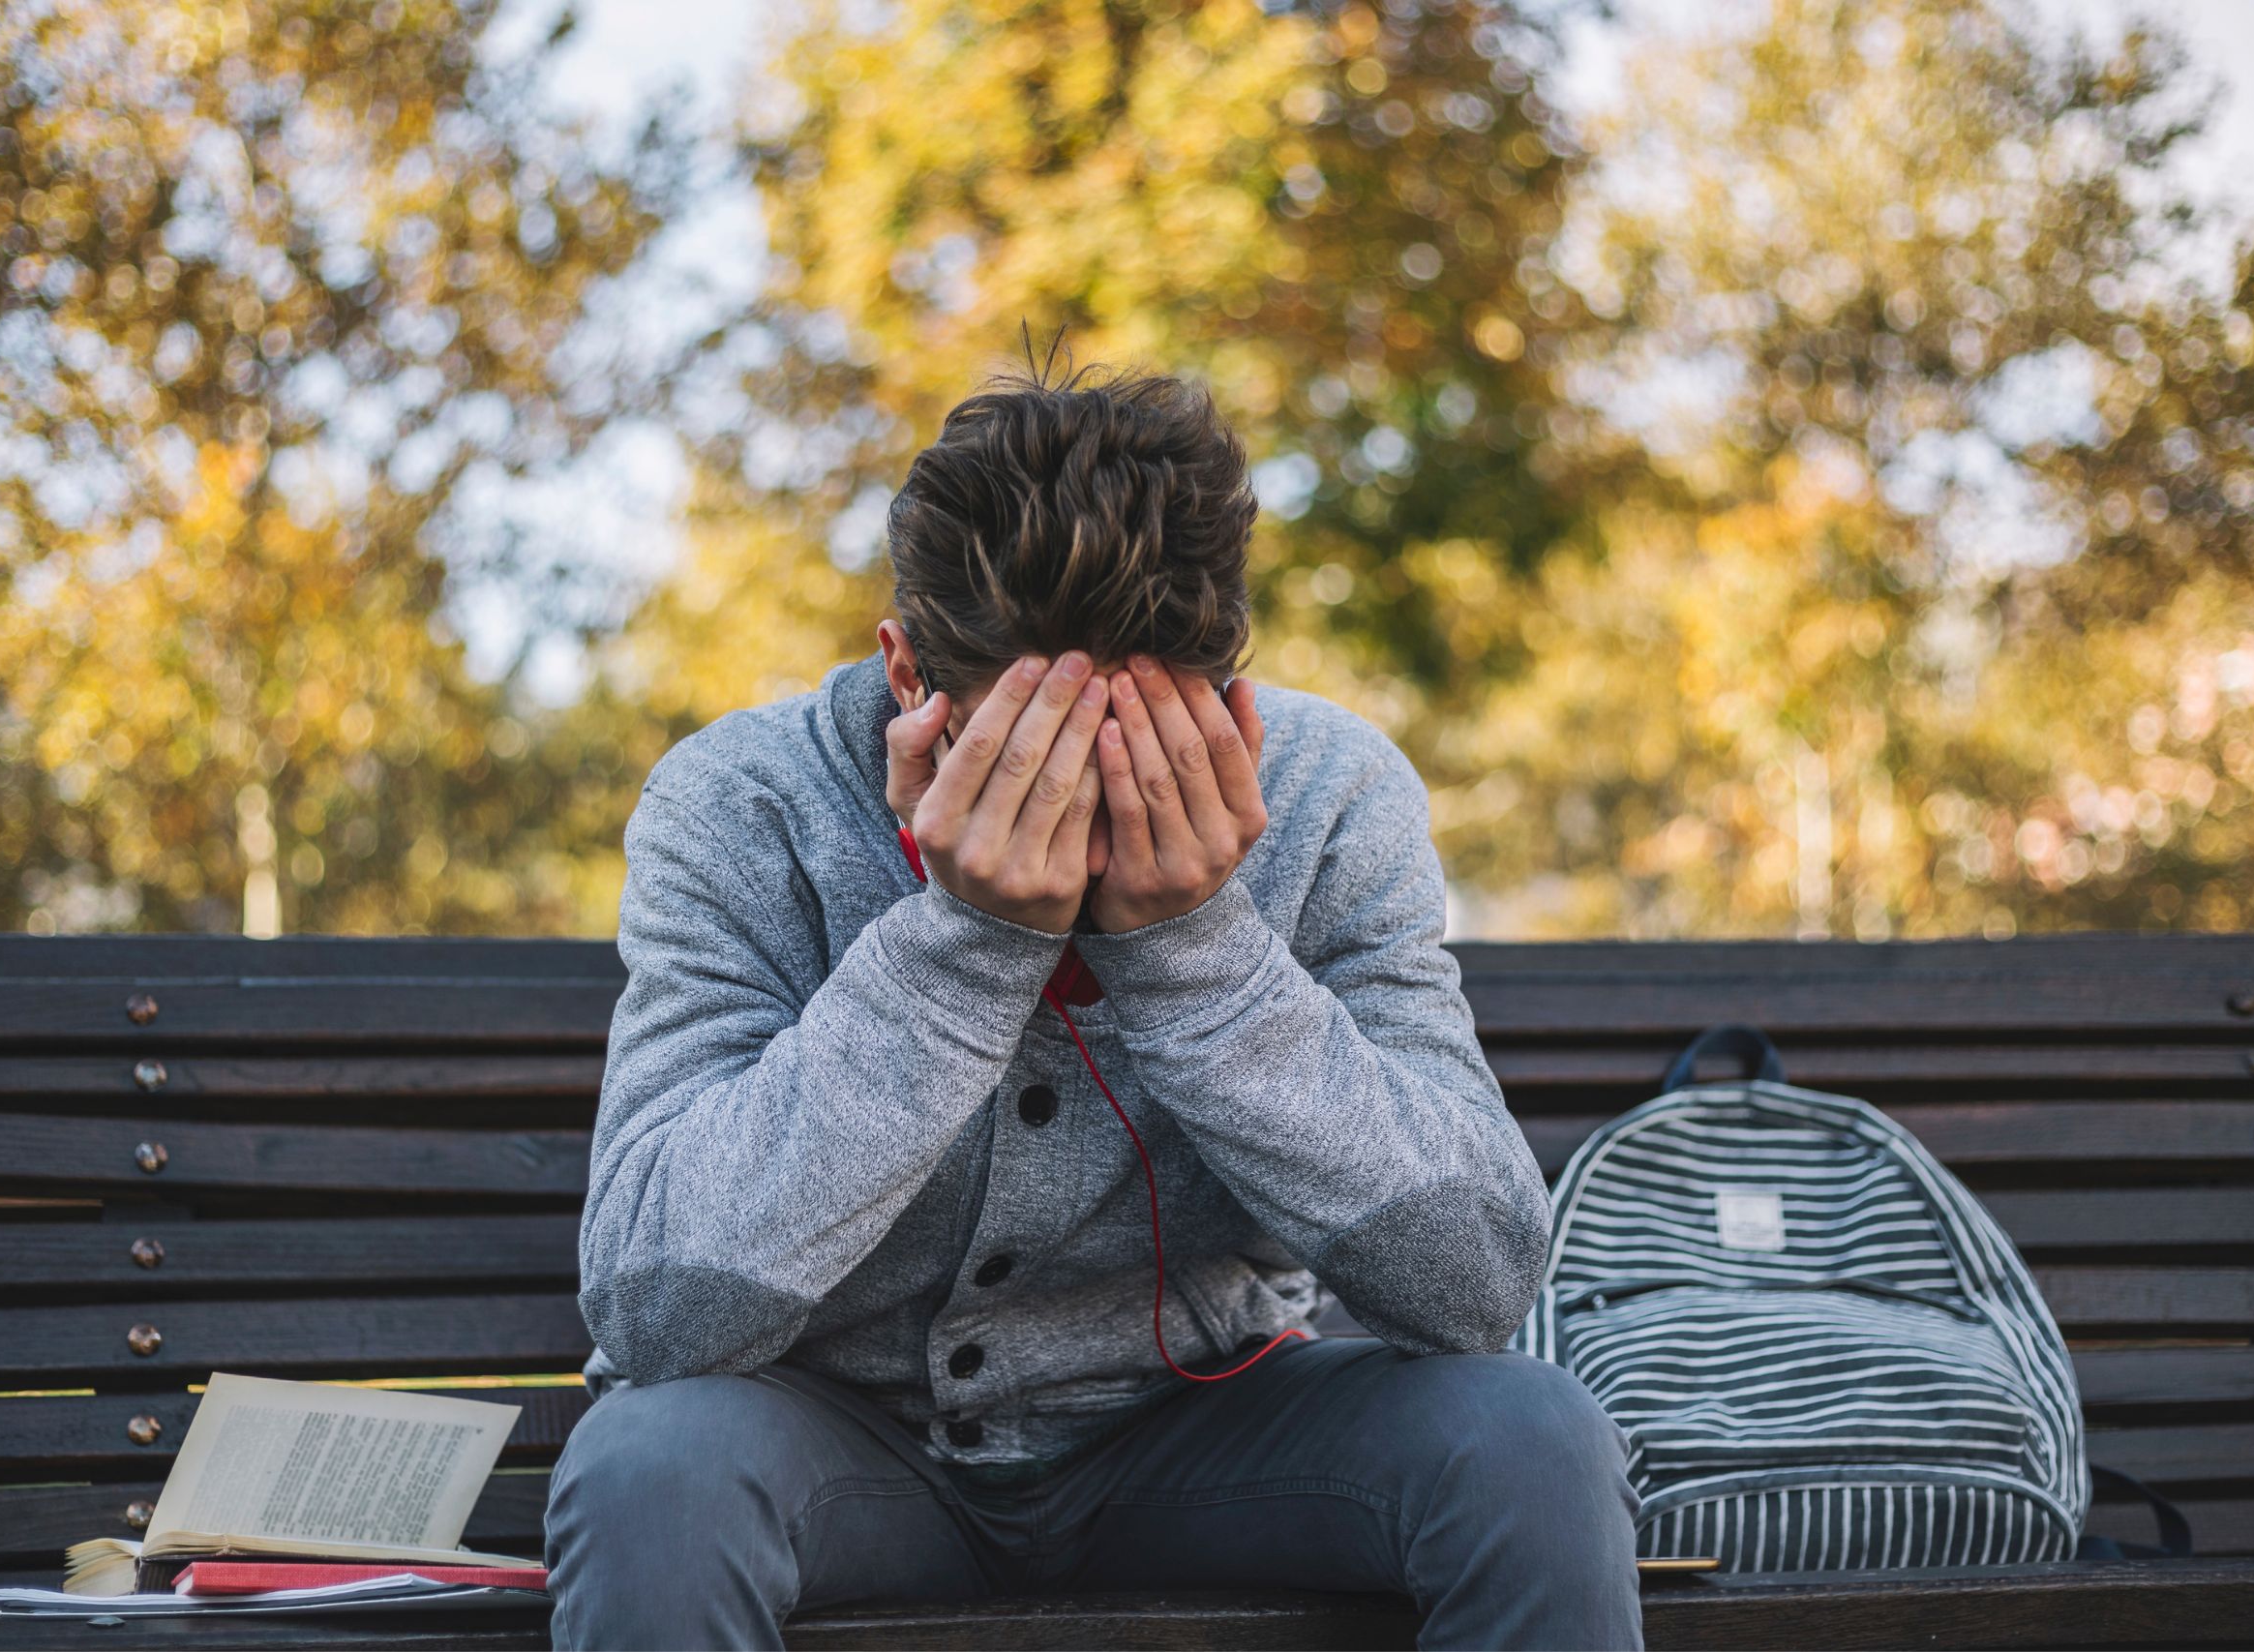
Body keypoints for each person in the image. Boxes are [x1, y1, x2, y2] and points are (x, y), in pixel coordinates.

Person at [544, 352, 1642, 1650]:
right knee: (649, 1472)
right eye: (1028, 757)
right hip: (837, 1447)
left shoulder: (1336, 792)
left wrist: (1198, 951)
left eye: (1136, 756)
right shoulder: (737, 804)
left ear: (1228, 701)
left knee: (1530, 1439)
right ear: (909, 678)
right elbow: (660, 1307)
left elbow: (1475, 1285)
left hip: (1209, 1440)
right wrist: (964, 941)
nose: (1084, 811)